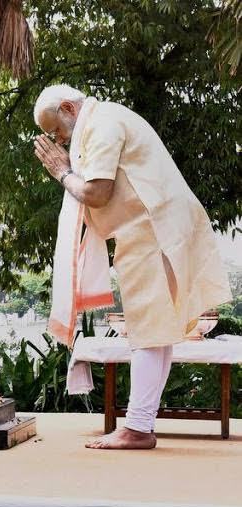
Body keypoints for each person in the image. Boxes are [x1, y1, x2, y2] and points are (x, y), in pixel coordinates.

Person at [33, 85, 232, 449]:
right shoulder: (104, 118)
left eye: (57, 131)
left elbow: (97, 192)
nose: (58, 141)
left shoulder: (103, 123)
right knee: (157, 328)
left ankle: (138, 427)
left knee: (146, 327)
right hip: (157, 226)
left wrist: (62, 172)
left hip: (152, 227)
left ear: (68, 108)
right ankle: (141, 423)